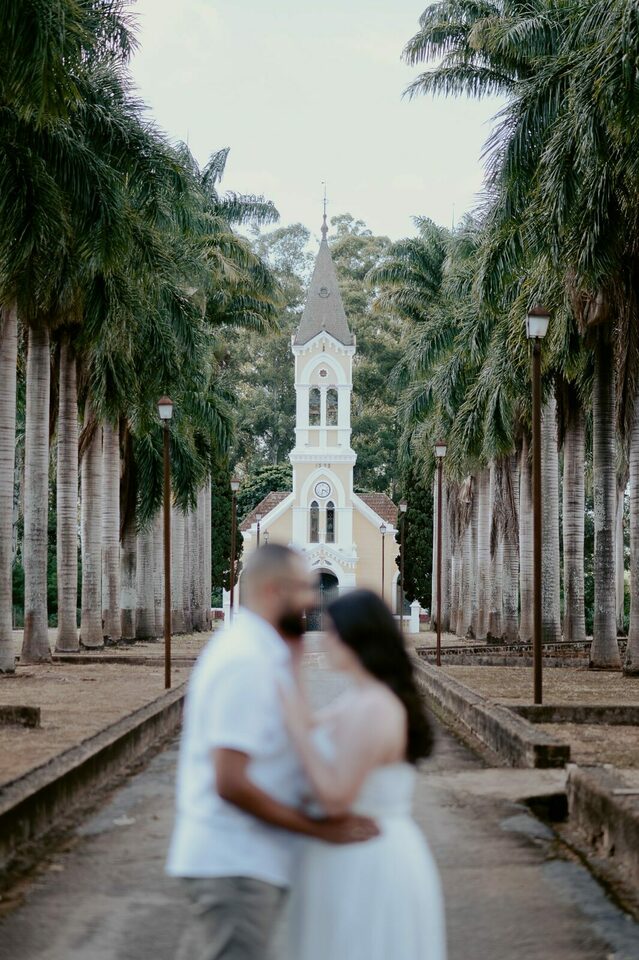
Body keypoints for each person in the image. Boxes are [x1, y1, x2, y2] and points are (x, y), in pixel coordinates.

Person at [166, 544, 378, 960]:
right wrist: (316, 829)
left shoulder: (265, 652)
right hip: (234, 864)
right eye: (302, 588)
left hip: (246, 862)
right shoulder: (245, 660)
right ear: (271, 592)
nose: (313, 599)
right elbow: (230, 781)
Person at [279, 587, 447, 960]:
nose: (325, 639)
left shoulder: (375, 707)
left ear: (358, 638)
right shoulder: (357, 698)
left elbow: (336, 797)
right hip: (343, 858)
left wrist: (297, 730)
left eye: (333, 632)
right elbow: (309, 725)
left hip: (369, 861)